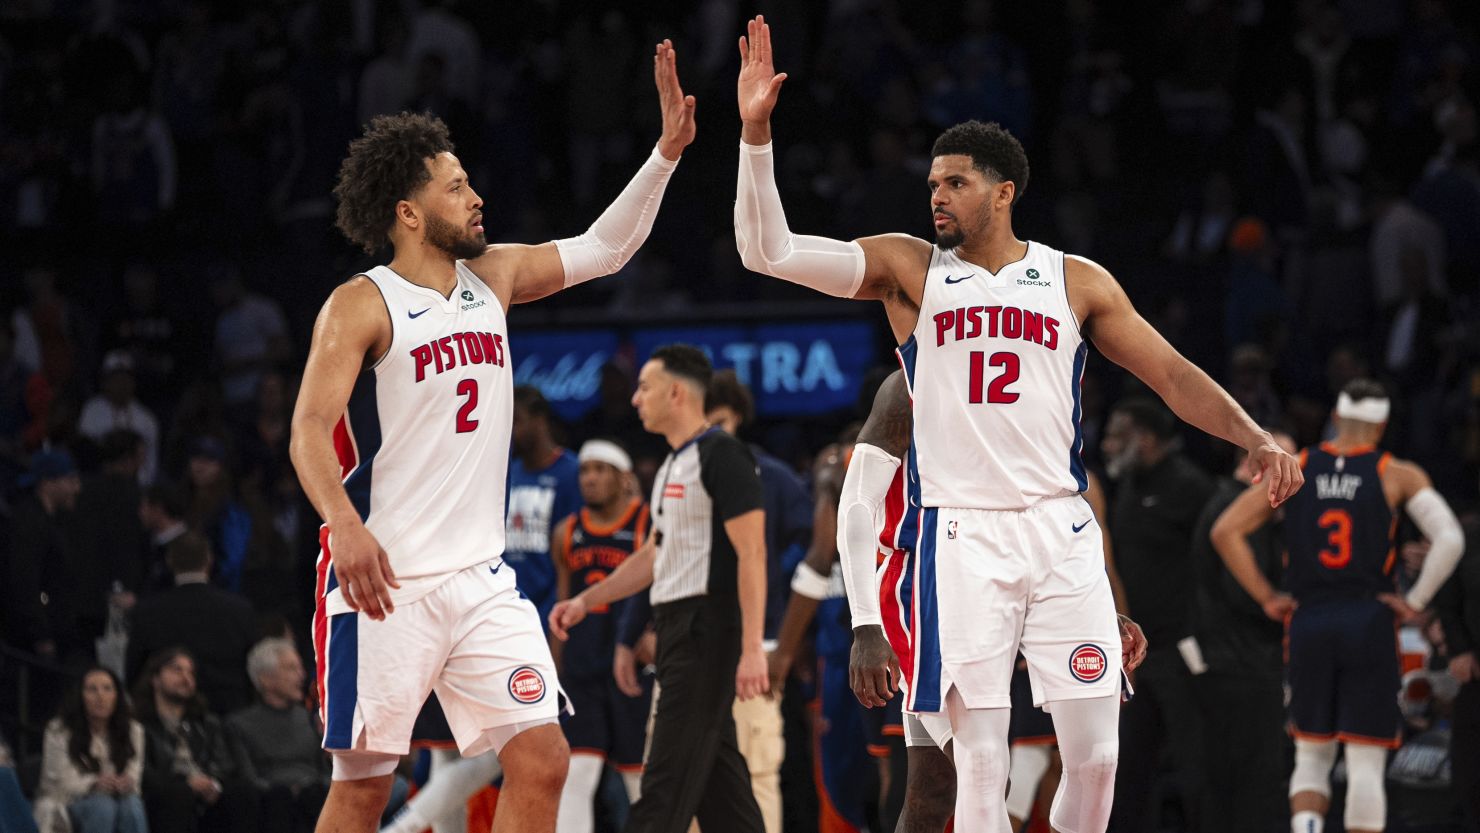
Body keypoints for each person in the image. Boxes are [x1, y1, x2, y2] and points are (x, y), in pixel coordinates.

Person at [732, 17, 1292, 831]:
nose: (936, 195)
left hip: (1060, 528)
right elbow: (767, 251)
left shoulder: (1075, 280)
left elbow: (1171, 375)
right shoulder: (909, 267)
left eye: (955, 183)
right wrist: (755, 135)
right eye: (932, 183)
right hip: (962, 534)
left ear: (1003, 192)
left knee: (1096, 758)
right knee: (982, 763)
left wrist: (1256, 436)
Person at [289, 37, 696, 833]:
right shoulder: (362, 302)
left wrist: (665, 153)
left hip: (481, 577)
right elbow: (308, 426)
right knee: (364, 787)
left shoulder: (494, 276)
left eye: (470, 181)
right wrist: (343, 525)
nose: (477, 197)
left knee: (543, 759)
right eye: (456, 187)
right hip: (385, 578)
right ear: (409, 213)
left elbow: (606, 249)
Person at [829, 371, 1145, 833]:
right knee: (980, 773)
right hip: (920, 589)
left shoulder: (1023, 387)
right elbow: (855, 504)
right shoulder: (914, 382)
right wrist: (865, 625)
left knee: (936, 788)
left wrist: (1090, 609)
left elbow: (1033, 522)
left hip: (990, 585)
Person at [1212, 379, 1464, 833]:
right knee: (1365, 758)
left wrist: (1267, 596)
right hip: (1369, 620)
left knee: (1311, 754)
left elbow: (1225, 531)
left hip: (1309, 619)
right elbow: (1450, 539)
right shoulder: (1396, 472)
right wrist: (1415, 602)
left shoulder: (1299, 466)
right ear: (1382, 425)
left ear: (1335, 418)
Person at [550, 344, 769, 833]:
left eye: (645, 388)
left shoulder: (723, 455)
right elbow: (652, 555)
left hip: (704, 629)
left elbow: (753, 554)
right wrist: (585, 601)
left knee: (662, 785)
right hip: (676, 629)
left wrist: (753, 648)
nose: (635, 399)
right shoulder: (673, 462)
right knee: (722, 793)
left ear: (676, 393)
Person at [1099, 397, 1215, 832]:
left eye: (1117, 436)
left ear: (1145, 439)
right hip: (1135, 653)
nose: (1107, 445)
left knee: (1194, 762)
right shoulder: (1130, 484)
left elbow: (1213, 566)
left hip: (1179, 647)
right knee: (1129, 765)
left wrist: (1202, 631)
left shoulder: (1190, 486)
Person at [704, 370, 810, 833]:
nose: (712, 433)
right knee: (689, 778)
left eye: (720, 422)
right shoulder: (682, 474)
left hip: (759, 642)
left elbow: (813, 552)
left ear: (739, 417)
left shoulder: (775, 478)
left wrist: (785, 641)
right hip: (694, 643)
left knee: (758, 771)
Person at [1189, 431, 1298, 833]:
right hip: (1244, 660)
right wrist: (1272, 599)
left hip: (1223, 658)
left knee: (1224, 777)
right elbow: (1238, 590)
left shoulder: (1220, 500)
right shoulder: (1240, 512)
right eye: (1286, 463)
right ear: (1256, 463)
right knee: (1254, 778)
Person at [550, 439, 651, 833]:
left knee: (639, 779)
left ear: (624, 478)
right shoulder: (566, 532)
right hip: (581, 669)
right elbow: (562, 602)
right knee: (575, 775)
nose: (589, 478)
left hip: (631, 667)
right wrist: (554, 670)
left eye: (599, 470)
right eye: (584, 470)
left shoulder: (647, 524)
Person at [126, 533, 257, 715]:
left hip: (170, 712)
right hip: (229, 711)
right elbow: (252, 667)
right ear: (209, 560)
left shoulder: (148, 612)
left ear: (170, 562)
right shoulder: (240, 610)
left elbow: (135, 672)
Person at [134, 648, 259, 833]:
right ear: (155, 679)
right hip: (166, 794)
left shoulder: (207, 723)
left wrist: (212, 783)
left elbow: (224, 764)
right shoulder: (140, 724)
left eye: (190, 672)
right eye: (177, 670)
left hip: (204, 792)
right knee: (178, 795)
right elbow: (143, 771)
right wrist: (185, 783)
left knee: (242, 792)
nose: (186, 677)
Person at [226, 638, 332, 833]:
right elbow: (248, 778)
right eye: (291, 668)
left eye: (300, 668)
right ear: (266, 679)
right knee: (279, 798)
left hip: (314, 799)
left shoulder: (312, 720)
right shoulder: (239, 725)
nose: (301, 675)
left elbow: (325, 771)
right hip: (271, 804)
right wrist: (286, 790)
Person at [33, 667, 147, 833]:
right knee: (102, 806)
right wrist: (94, 783)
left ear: (117, 695)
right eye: (92, 689)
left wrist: (125, 782)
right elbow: (59, 782)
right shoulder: (59, 729)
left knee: (132, 804)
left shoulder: (134, 730)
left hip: (119, 800)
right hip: (68, 801)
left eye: (107, 689)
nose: (100, 696)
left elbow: (135, 773)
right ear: (80, 696)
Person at [506, 385, 581, 623]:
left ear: (539, 420)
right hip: (507, 606)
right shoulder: (508, 472)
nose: (509, 430)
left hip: (552, 608)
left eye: (516, 421)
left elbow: (573, 551)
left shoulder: (572, 472)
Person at [7, 448, 84, 664]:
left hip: (54, 628)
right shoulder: (29, 523)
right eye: (70, 480)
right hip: (32, 639)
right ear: (47, 483)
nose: (77, 488)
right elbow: (25, 581)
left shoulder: (54, 521)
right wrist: (40, 633)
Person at [1434, 509, 1480, 830]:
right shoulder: (1467, 536)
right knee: (1470, 771)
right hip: (1475, 670)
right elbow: (1448, 602)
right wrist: (1459, 649)